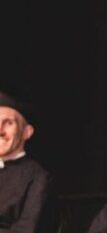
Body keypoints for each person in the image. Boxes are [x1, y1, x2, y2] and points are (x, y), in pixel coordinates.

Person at [0, 92, 57, 233]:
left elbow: (27, 230)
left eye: (8, 123)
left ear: (27, 132)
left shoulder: (38, 177)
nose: (0, 130)